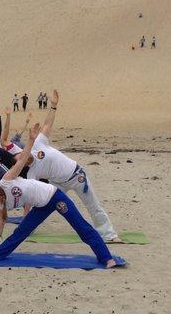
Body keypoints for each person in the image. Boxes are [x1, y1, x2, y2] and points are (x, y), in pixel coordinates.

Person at [14, 90, 118, 241]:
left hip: (76, 175)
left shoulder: (37, 143)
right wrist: (25, 216)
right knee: (42, 208)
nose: (24, 156)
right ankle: (26, 230)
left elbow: (47, 124)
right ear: (21, 164)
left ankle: (109, 235)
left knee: (92, 205)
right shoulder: (32, 174)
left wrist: (54, 105)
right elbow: (31, 198)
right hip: (57, 184)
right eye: (21, 159)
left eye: (22, 153)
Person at [0, 179, 117, 268]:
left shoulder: (7, 181)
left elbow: (22, 159)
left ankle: (106, 258)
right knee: (20, 232)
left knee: (81, 226)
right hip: (41, 207)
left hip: (55, 197)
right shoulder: (0, 205)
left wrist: (30, 140)